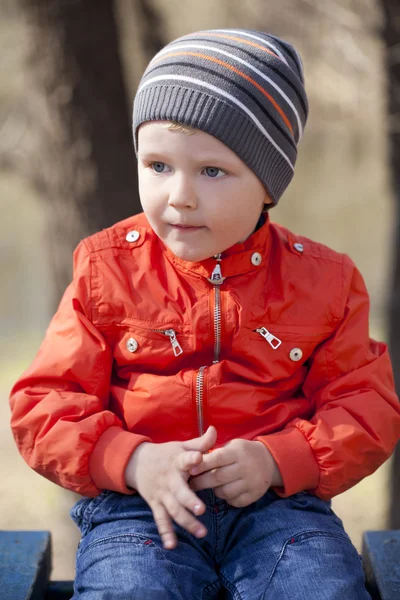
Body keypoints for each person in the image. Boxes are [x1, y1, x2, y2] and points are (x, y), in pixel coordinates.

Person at [9, 28, 400, 599]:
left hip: (281, 513)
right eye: (159, 165)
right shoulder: (106, 268)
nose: (180, 195)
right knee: (128, 592)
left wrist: (278, 459)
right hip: (139, 511)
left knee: (319, 589)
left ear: (270, 184)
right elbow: (45, 404)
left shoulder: (326, 281)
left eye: (212, 172)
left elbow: (367, 407)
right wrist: (132, 459)